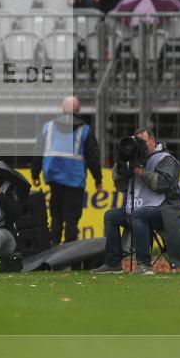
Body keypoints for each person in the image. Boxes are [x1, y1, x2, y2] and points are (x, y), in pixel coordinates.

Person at [92, 128, 180, 274]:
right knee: (111, 216)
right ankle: (113, 263)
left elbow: (163, 183)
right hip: (137, 210)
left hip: (165, 210)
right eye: (137, 142)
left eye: (143, 142)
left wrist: (139, 172)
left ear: (152, 141)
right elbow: (121, 187)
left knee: (139, 215)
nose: (140, 146)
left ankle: (144, 264)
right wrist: (121, 166)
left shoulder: (165, 159)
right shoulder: (133, 159)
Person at [30, 96, 102, 246]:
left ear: (62, 109)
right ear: (79, 110)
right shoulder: (85, 130)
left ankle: (54, 246)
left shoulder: (48, 127)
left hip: (53, 177)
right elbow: (92, 157)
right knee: (72, 217)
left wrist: (35, 173)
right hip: (75, 179)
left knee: (56, 214)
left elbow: (38, 151)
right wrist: (98, 179)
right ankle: (70, 249)